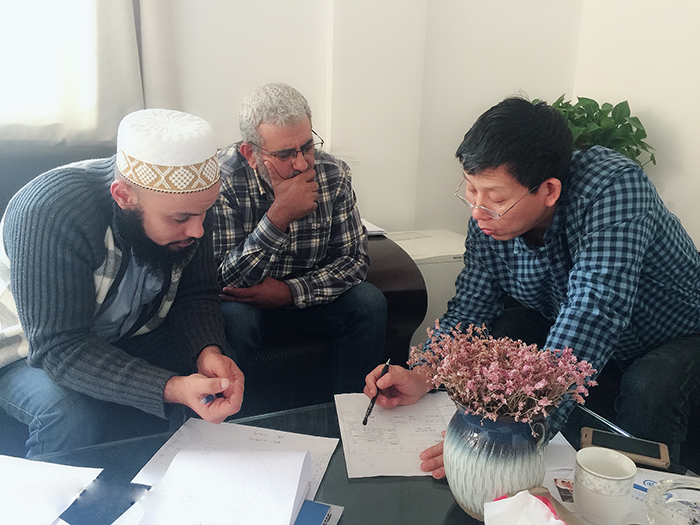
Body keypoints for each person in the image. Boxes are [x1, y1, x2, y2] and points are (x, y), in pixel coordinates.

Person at [364, 97, 700, 477]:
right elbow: (471, 307)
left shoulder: (613, 187)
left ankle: (641, 495)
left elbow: (593, 310)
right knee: (508, 332)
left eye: (496, 197)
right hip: (588, 328)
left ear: (549, 190)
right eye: (471, 190)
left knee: (650, 385)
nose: (477, 211)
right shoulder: (487, 221)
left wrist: (515, 436)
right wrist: (424, 372)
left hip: (677, 332)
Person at [0, 109, 245, 458]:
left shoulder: (193, 205)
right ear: (123, 196)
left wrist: (208, 352)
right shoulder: (48, 211)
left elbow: (195, 293)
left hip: (122, 331)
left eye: (205, 211)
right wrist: (172, 387)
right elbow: (59, 347)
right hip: (25, 349)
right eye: (181, 218)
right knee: (69, 415)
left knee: (216, 366)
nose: (197, 230)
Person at [212, 83, 386, 394]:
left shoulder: (332, 173)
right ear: (251, 154)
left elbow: (354, 261)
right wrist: (278, 217)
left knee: (368, 303)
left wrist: (289, 292)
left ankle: (354, 414)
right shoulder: (221, 180)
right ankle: (236, 417)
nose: (302, 163)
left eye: (307, 147)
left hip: (309, 299)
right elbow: (224, 279)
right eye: (284, 154)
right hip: (246, 305)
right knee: (235, 318)